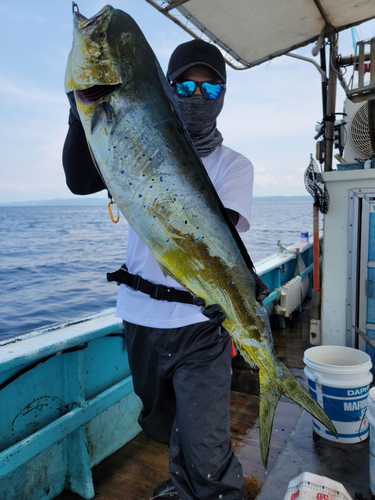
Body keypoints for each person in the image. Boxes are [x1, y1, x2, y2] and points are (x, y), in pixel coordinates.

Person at [63, 38, 267, 500]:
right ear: (166, 88)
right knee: (167, 426)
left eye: (211, 89)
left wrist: (236, 296)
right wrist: (81, 112)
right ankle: (181, 488)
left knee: (207, 449)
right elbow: (79, 181)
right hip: (140, 321)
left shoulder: (235, 166)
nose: (197, 97)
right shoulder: (129, 141)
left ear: (223, 98)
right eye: (186, 85)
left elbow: (217, 239)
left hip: (200, 327)